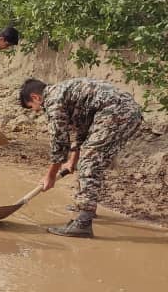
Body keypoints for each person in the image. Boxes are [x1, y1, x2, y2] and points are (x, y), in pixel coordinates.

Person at [19, 78, 143, 238]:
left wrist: (50, 176)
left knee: (89, 162)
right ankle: (87, 207)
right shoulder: (64, 93)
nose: (36, 110)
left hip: (117, 113)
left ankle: (83, 222)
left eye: (32, 107)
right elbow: (83, 129)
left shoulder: (53, 101)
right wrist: (72, 160)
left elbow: (59, 142)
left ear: (36, 97)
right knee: (91, 161)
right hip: (124, 112)